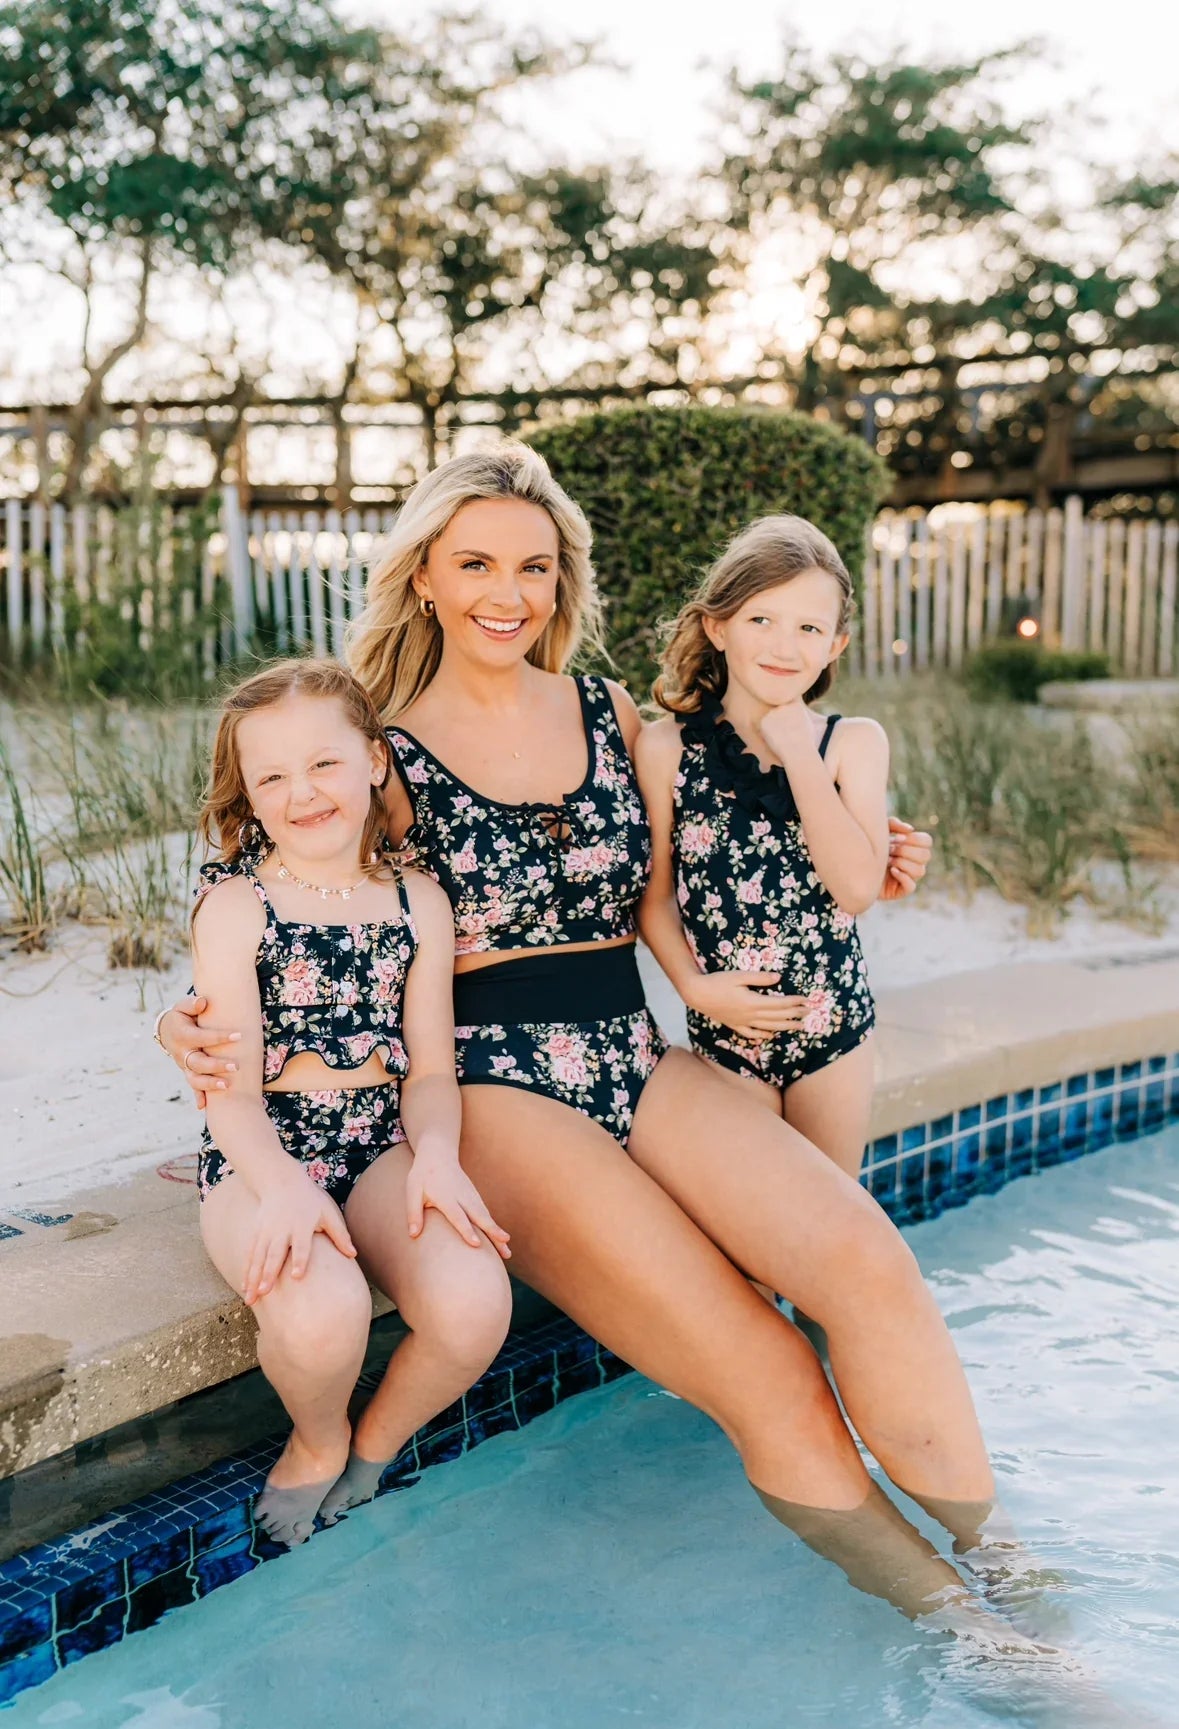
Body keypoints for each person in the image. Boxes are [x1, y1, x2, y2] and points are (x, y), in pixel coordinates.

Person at [161, 446, 1016, 1627]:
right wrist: (183, 1019)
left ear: (563, 579)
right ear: (424, 577)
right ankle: (970, 1638)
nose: (507, 592)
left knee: (871, 1264)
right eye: (474, 564)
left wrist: (879, 843)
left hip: (636, 1049)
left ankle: (1008, 1566)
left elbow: (730, 818)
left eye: (534, 566)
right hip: (495, 1085)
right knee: (766, 1366)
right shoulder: (383, 748)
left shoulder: (612, 712)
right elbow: (279, 896)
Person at [188, 658, 512, 1545]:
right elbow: (229, 1091)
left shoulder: (417, 901)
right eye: (271, 777)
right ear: (248, 795)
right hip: (262, 1148)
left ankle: (376, 1442)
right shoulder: (238, 906)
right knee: (322, 1315)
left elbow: (431, 1071)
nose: (301, 792)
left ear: (373, 761)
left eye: (323, 763)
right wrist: (283, 1186)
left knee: (474, 1304)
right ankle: (319, 1438)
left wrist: (435, 1155)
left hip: (379, 1141)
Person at [637, 514, 883, 1186]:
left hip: (831, 1026)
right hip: (727, 1028)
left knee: (829, 1221)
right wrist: (693, 988)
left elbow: (857, 888)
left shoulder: (852, 744)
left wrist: (797, 750)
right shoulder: (665, 749)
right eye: (761, 620)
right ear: (718, 627)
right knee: (750, 1224)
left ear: (835, 645)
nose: (783, 646)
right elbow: (654, 898)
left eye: (808, 628)